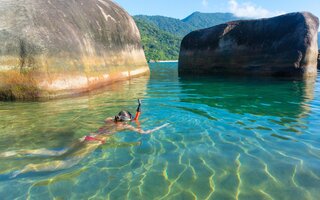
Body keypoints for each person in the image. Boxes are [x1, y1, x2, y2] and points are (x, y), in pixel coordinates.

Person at [1, 99, 168, 177]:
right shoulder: (124, 126)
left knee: (59, 151)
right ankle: (27, 168)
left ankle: (16, 152)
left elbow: (117, 120)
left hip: (86, 136)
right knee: (69, 162)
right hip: (94, 142)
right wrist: (158, 127)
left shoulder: (110, 119)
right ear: (125, 120)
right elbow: (143, 132)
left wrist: (127, 118)